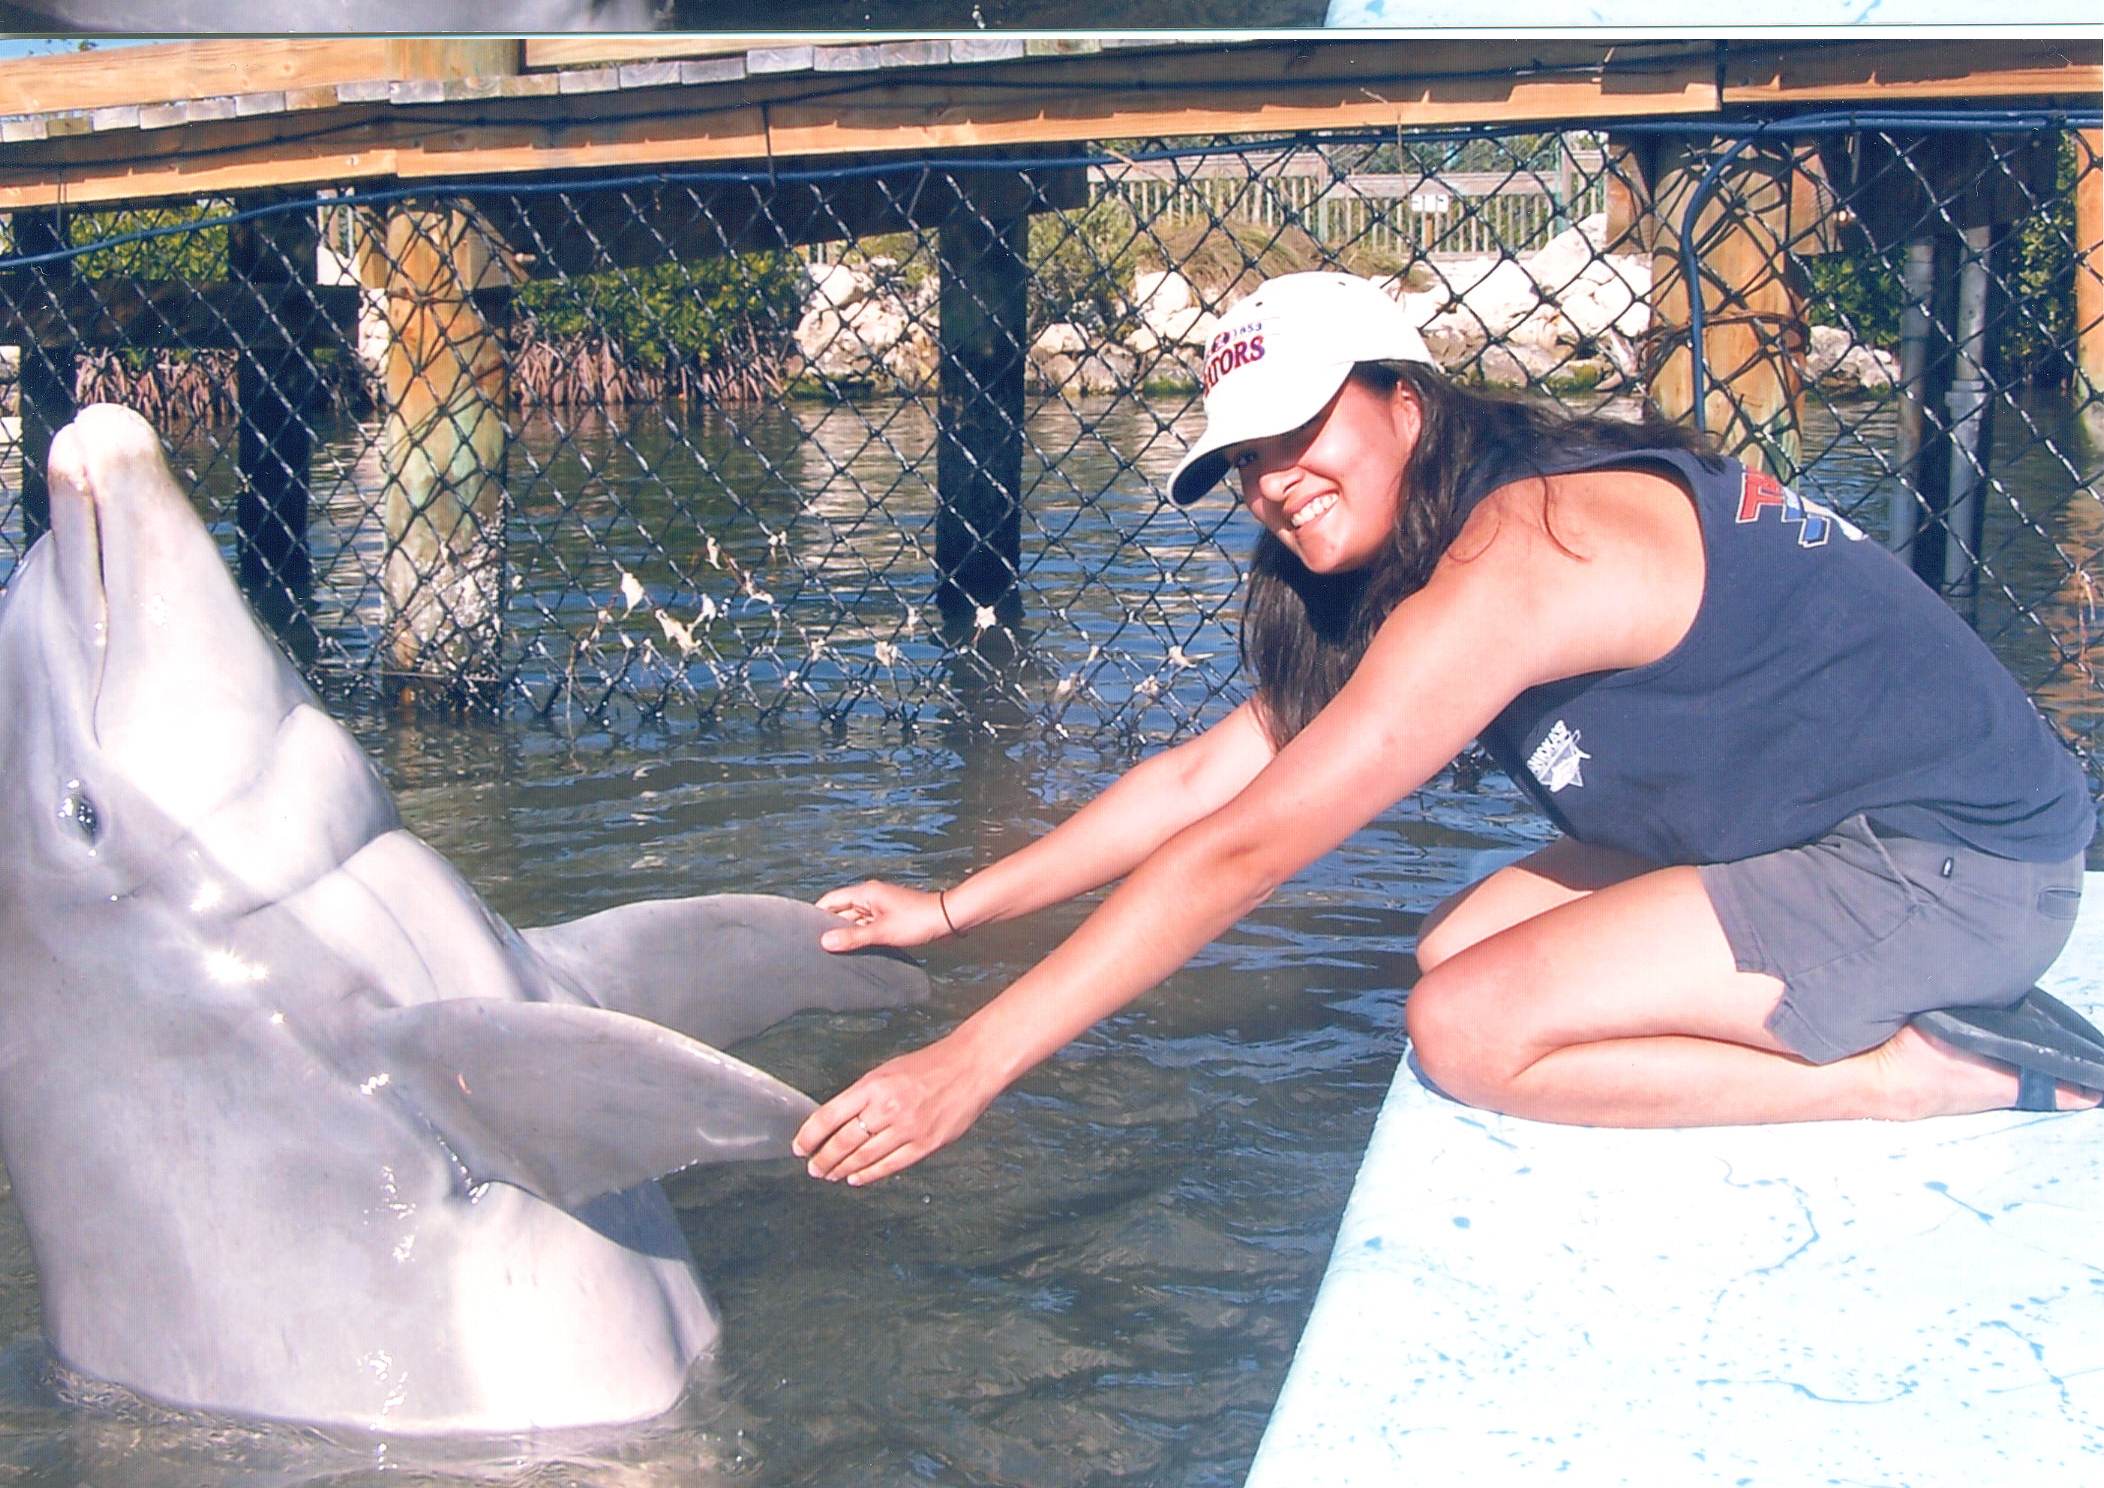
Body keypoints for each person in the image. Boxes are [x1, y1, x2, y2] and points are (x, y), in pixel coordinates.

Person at [790, 268, 2101, 1188]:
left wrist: (967, 1064)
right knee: (1466, 939)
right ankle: (1860, 999)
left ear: (1405, 401)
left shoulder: (1519, 557)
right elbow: (1212, 772)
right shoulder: (1442, 539)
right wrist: (957, 909)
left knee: (1469, 1029)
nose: (1272, 480)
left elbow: (1245, 853)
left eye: (1299, 428)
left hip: (1953, 867)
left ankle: (1904, 1073)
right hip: (1855, 828)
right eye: (1244, 456)